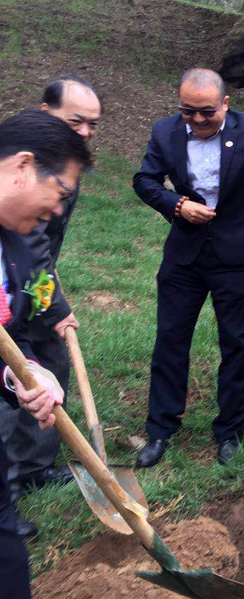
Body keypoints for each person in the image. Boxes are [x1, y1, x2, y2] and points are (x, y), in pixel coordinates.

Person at [133, 68, 244, 467]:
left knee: (236, 344)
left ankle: (229, 431)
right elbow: (144, 180)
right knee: (170, 340)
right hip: (185, 256)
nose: (196, 120)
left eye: (206, 112)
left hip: (236, 255)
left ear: (225, 105)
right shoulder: (165, 132)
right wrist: (176, 204)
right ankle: (160, 428)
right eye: (187, 111)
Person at [0, 77, 101, 534]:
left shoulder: (50, 180)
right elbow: (36, 253)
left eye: (92, 125)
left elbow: (36, 261)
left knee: (45, 367)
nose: (83, 132)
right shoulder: (23, 192)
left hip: (28, 289)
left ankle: (30, 471)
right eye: (74, 121)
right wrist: (53, 307)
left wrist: (49, 307)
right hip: (32, 288)